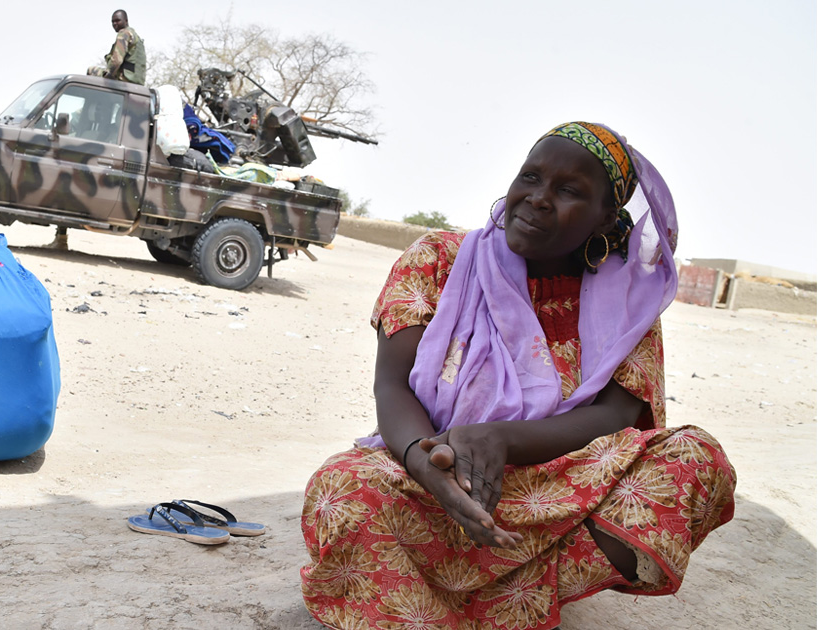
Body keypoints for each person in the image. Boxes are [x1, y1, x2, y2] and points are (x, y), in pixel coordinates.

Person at [300, 122, 736, 630]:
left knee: (696, 459)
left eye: (569, 190)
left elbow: (620, 414)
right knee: (345, 488)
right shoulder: (439, 259)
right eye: (530, 177)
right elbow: (391, 385)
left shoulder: (628, 304)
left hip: (554, 490)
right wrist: (426, 463)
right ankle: (456, 608)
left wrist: (500, 438)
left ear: (607, 217)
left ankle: (516, 598)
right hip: (426, 470)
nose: (538, 198)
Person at [86, 10, 146, 85]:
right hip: (137, 81)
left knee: (91, 70)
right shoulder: (136, 37)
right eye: (113, 22)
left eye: (117, 21)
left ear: (126, 21)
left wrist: (108, 75)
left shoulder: (124, 33)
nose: (114, 24)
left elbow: (117, 60)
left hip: (124, 79)